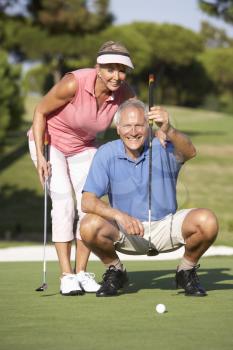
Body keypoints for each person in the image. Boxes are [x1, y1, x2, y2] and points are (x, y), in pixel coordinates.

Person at [28, 41, 137, 296]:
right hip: (49, 142)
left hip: (84, 146)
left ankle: (81, 272)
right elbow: (40, 111)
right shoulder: (73, 82)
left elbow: (137, 114)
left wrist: (160, 124)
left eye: (122, 70)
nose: (116, 76)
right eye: (110, 69)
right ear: (98, 67)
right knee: (64, 202)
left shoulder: (124, 92)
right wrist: (42, 158)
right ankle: (66, 276)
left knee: (87, 204)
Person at [80, 99, 219, 297]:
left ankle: (186, 270)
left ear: (148, 126)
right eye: (127, 126)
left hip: (166, 226)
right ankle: (116, 270)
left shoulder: (163, 145)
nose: (133, 131)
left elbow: (190, 151)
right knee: (88, 226)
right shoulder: (106, 153)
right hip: (127, 231)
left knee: (208, 221)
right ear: (118, 128)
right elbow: (87, 201)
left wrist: (168, 128)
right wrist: (119, 216)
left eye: (139, 125)